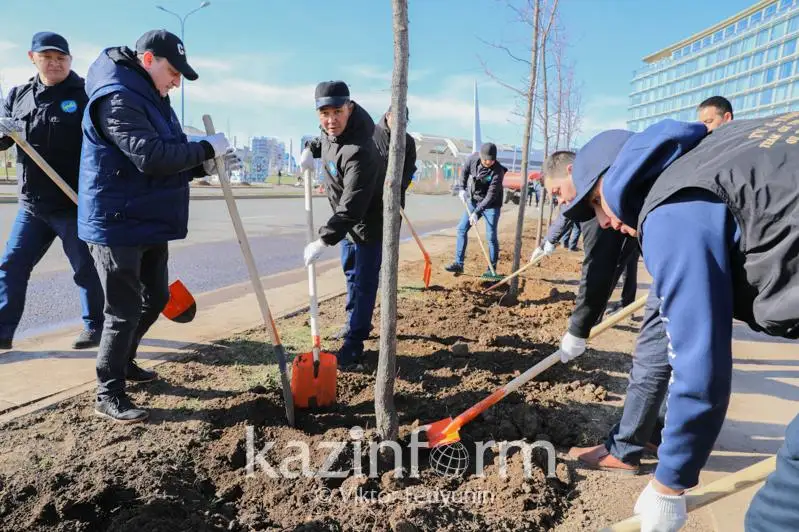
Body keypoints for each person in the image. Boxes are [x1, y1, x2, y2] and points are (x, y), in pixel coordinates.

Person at [550, 112, 799, 531]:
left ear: (617, 174)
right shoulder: (715, 151)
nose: (605, 222)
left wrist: (669, 485)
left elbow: (699, 367)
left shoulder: (671, 211)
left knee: (775, 516)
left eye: (595, 202)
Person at [79, 29, 237, 423]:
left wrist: (203, 165)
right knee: (123, 309)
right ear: (148, 60)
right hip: (117, 222)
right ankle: (108, 392)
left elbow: (170, 157)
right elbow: (149, 156)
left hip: (145, 216)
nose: (177, 81)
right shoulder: (117, 97)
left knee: (157, 297)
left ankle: (125, 361)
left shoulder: (154, 98)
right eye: (173, 71)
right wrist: (206, 147)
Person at [0, 32, 104, 351]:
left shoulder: (86, 94)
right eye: (47, 57)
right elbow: (3, 142)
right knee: (12, 265)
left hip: (74, 203)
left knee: (85, 268)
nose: (55, 63)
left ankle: (95, 326)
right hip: (33, 205)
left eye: (61, 58)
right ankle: (2, 332)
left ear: (70, 61)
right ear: (33, 58)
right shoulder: (18, 96)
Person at [300, 81, 383, 369]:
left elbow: (353, 206)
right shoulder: (331, 132)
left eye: (337, 112)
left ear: (349, 108)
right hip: (345, 224)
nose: (331, 120)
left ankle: (354, 342)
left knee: (364, 282)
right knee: (350, 274)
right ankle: (353, 323)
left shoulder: (360, 149)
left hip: (368, 223)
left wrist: (323, 240)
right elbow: (324, 140)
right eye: (324, 113)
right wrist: (310, 149)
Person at [444, 142, 506, 275]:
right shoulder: (472, 159)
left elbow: (491, 195)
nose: (488, 162)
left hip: (491, 205)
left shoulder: (498, 171)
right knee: (461, 229)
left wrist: (476, 213)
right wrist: (462, 189)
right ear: (481, 156)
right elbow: (464, 173)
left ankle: (491, 270)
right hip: (474, 200)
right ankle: (459, 264)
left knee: (491, 237)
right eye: (485, 160)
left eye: (491, 160)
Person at [373, 105, 416, 208]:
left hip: (396, 197)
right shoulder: (371, 133)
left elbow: (410, 169)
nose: (399, 124)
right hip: (371, 197)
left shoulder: (409, 141)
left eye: (404, 121)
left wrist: (399, 187)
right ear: (388, 115)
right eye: (397, 119)